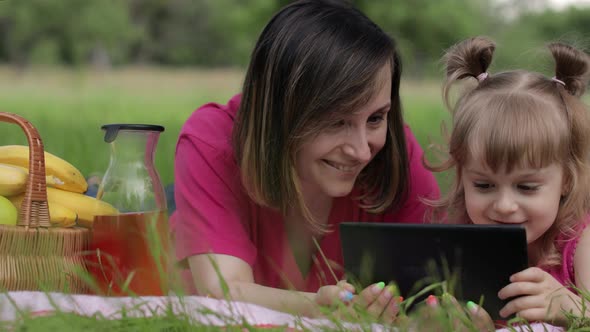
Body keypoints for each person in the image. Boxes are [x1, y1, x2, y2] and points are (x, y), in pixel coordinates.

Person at [170, 0, 440, 321]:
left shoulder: (396, 154)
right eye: (337, 121)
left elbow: (442, 287)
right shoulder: (211, 141)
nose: (362, 151)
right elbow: (223, 292)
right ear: (280, 113)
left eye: (376, 118)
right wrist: (321, 308)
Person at [427, 36, 590, 327]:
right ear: (462, 176)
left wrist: (570, 306)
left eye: (526, 187)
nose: (503, 206)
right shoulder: (460, 243)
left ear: (566, 179)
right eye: (484, 185)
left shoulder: (580, 243)